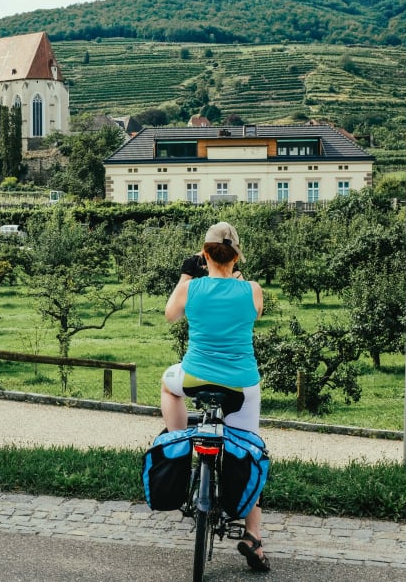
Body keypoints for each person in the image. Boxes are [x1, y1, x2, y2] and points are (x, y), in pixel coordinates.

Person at [161, 221, 269, 572]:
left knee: (168, 385)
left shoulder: (192, 289)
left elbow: (169, 315)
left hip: (195, 376)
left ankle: (178, 440)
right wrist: (230, 275)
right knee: (248, 445)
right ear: (237, 256)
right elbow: (255, 310)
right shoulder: (251, 289)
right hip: (241, 386)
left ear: (204, 253)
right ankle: (253, 537)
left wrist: (186, 274)